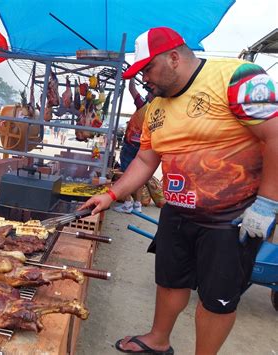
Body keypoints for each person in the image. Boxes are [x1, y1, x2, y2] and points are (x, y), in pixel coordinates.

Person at [80, 27, 277, 354]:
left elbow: (274, 135)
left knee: (217, 299)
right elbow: (145, 160)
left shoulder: (236, 78)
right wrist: (111, 194)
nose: (144, 79)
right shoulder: (156, 108)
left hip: (232, 219)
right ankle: (158, 340)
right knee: (170, 280)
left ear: (173, 58)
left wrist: (268, 203)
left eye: (147, 69)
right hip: (178, 210)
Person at [114, 79, 154, 213]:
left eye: (148, 92)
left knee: (125, 174)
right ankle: (137, 205)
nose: (147, 94)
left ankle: (127, 203)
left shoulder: (143, 104)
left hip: (131, 145)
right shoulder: (158, 109)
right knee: (138, 176)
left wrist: (132, 77)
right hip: (145, 146)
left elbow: (132, 89)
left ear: (151, 95)